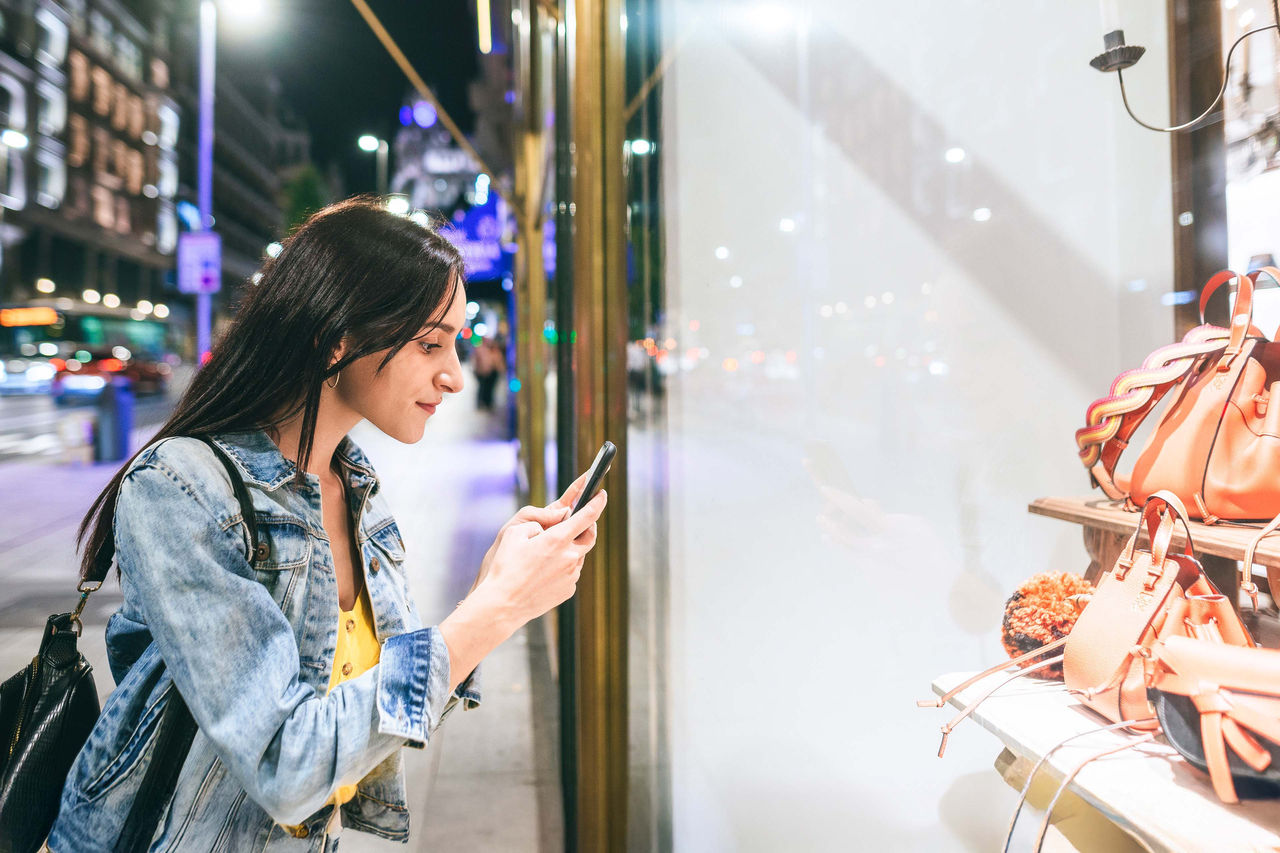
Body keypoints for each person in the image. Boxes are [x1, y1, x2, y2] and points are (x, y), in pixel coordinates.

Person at [45, 198, 607, 850]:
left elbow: (374, 710)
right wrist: (496, 610)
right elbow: (287, 762)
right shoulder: (180, 488)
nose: (454, 374)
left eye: (455, 341)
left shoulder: (354, 484)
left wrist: (489, 592)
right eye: (430, 343)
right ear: (337, 335)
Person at [472, 335, 505, 411]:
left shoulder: (494, 351)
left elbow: (498, 362)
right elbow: (477, 362)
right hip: (482, 373)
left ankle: (488, 402)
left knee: (489, 388)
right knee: (482, 388)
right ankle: (481, 403)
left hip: (492, 372)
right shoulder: (481, 349)